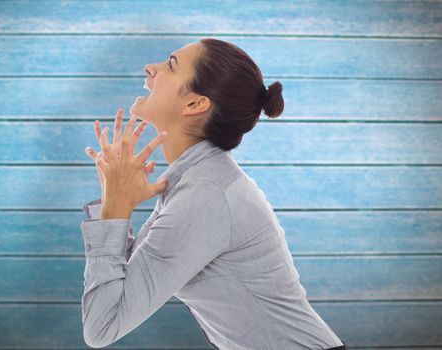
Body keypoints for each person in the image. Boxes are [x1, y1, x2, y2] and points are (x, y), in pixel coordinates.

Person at [81, 38, 348, 349]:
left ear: (195, 104)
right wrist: (117, 198)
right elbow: (127, 282)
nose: (150, 68)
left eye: (170, 65)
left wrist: (116, 209)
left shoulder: (207, 193)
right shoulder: (193, 181)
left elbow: (102, 325)